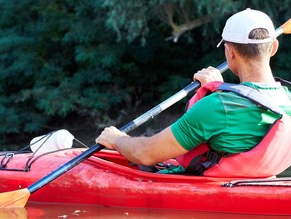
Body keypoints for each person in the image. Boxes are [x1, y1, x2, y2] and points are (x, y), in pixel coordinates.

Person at [95, 8, 291, 177]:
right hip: (258, 186)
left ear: (230, 51)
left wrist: (117, 139)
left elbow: (145, 154)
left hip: (212, 196)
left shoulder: (217, 107)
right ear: (273, 48)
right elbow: (250, 102)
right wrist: (218, 88)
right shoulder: (287, 100)